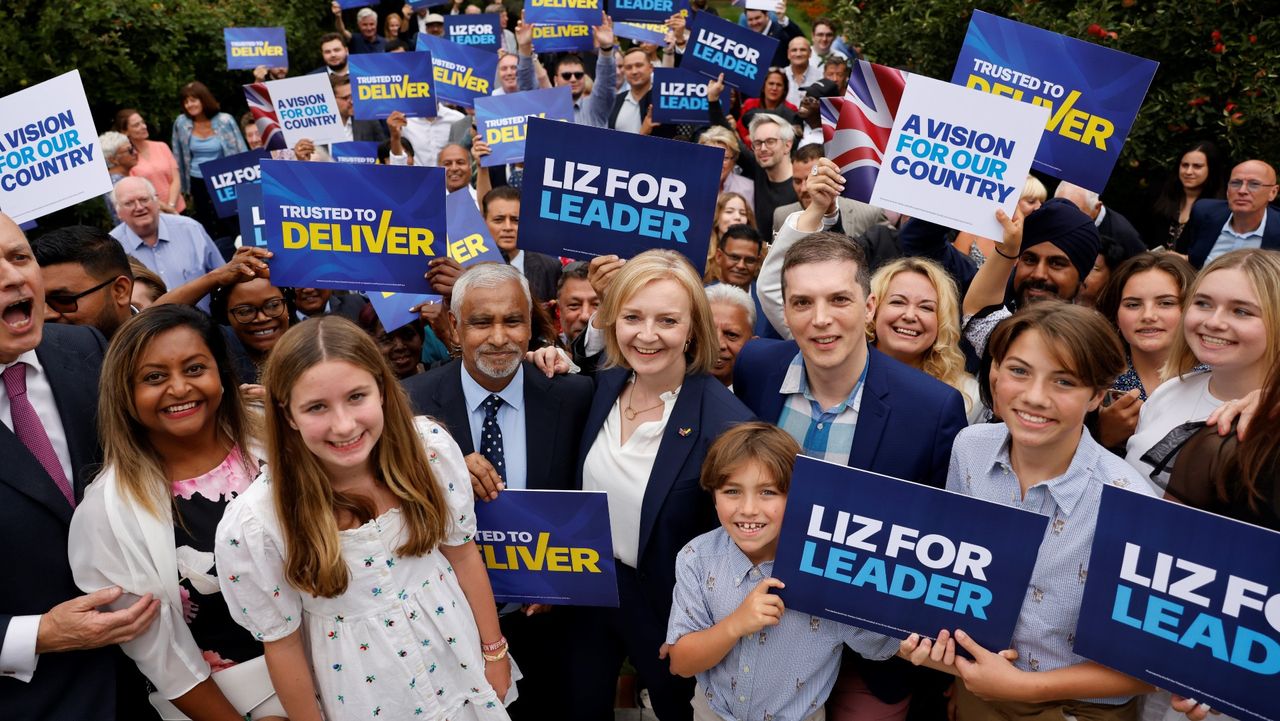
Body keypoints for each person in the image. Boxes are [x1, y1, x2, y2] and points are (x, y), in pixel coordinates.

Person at [740, 159, 966, 721]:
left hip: (867, 654)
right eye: (802, 303)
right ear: (783, 311)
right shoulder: (755, 369)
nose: (821, 320)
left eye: (839, 300)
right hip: (761, 629)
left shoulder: (932, 408)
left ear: (868, 308)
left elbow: (948, 539)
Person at [214, 316, 515, 720]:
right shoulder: (257, 522)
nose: (343, 425)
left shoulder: (428, 452)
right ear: (287, 415)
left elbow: (462, 555)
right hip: (364, 693)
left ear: (383, 391)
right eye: (317, 407)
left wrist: (494, 652)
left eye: (357, 397)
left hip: (458, 663)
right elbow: (282, 644)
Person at [901, 302, 1155, 719]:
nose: (1035, 397)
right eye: (1019, 371)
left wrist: (1025, 686)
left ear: (1096, 394)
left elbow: (1152, 667)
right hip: (978, 688)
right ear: (994, 372)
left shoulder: (1130, 504)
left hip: (1078, 709)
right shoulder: (970, 447)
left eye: (1065, 381)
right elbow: (957, 570)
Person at [67, 305, 284, 721]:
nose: (179, 388)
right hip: (240, 706)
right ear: (125, 394)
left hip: (354, 674)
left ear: (221, 373)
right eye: (154, 377)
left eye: (195, 368)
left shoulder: (281, 441)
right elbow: (162, 659)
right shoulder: (106, 513)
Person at [565, 250, 755, 721]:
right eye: (632, 317)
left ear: (693, 329)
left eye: (667, 320)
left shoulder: (727, 425)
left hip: (673, 613)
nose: (646, 335)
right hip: (589, 592)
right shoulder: (601, 386)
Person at [404, 264, 592, 718]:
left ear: (532, 324)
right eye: (481, 322)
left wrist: (559, 581)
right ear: (453, 324)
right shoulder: (408, 405)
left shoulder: (574, 395)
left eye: (512, 321)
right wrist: (439, 468)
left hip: (549, 618)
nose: (499, 337)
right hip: (450, 624)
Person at [0, 212, 160, 721]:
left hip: (159, 680)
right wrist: (39, 635)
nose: (11, 277)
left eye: (18, 257)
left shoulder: (87, 349)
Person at [667, 422, 900, 721]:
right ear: (713, 494)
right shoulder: (696, 558)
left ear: (797, 494)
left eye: (768, 492)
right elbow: (682, 663)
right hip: (713, 714)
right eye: (732, 491)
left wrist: (862, 597)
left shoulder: (828, 566)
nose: (749, 508)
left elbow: (879, 647)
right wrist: (735, 625)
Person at [1124, 248, 1280, 494]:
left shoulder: (1273, 415)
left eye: (1241, 311)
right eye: (1203, 303)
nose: (1213, 322)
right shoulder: (1169, 391)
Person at [957, 198, 1101, 359]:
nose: (1039, 274)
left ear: (1082, 276)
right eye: (1030, 260)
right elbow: (978, 308)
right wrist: (1007, 251)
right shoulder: (1006, 336)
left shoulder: (1094, 350)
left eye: (1056, 264)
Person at [1093, 252, 1198, 450]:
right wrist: (1100, 437)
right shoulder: (1094, 377)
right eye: (1133, 305)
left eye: (1166, 303)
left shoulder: (1218, 377)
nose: (1148, 315)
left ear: (1192, 309)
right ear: (1116, 315)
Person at [867, 257, 983, 423]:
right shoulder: (840, 376)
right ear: (872, 309)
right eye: (898, 302)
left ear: (942, 322)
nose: (909, 316)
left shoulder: (967, 397)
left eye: (926, 307)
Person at [110, 177, 224, 310]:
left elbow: (222, 275)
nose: (139, 207)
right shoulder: (111, 248)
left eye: (144, 199)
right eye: (129, 203)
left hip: (205, 325)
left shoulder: (191, 229)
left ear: (156, 201)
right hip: (150, 329)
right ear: (118, 211)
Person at [172, 81, 248, 248]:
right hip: (197, 180)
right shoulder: (181, 123)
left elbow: (240, 150)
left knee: (231, 222)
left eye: (193, 100)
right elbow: (178, 156)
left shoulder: (225, 121)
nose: (189, 105)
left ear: (204, 99)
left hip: (223, 180)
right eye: (186, 101)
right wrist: (184, 189)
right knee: (207, 222)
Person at [32, 225, 135, 339]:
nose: (46, 314)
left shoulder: (156, 346)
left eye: (63, 300)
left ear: (120, 290)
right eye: (37, 302)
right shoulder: (39, 353)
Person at [515, 13, 617, 128]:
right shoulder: (544, 107)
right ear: (555, 79)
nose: (573, 79)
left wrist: (606, 49)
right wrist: (524, 48)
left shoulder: (595, 108)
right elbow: (527, 88)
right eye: (566, 75)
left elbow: (606, 84)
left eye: (578, 75)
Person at [772, 144, 884, 241]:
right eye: (797, 181)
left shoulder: (870, 213)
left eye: (812, 179)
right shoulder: (782, 216)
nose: (804, 188)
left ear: (830, 174)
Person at [1181, 159, 1280, 268]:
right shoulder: (1204, 212)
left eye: (1254, 184)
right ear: (1228, 189)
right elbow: (1187, 256)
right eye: (1235, 183)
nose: (1242, 191)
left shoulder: (1276, 229)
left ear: (1273, 192)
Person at [482, 186, 561, 303]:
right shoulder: (471, 268)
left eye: (516, 220)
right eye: (499, 220)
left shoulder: (550, 268)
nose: (508, 227)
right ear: (484, 223)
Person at [950, 175, 1046, 268]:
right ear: (1011, 202)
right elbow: (955, 270)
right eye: (1031, 201)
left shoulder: (1037, 242)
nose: (1038, 207)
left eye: (1041, 202)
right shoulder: (974, 232)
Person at [1145, 141, 1226, 250]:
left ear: (1211, 170)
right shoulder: (1159, 198)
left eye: (1197, 166)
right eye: (1184, 165)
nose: (1188, 171)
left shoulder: (1219, 210)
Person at [116, 108, 184, 215]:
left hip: (178, 209)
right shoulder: (128, 159)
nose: (144, 126)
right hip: (153, 214)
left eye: (143, 122)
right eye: (136, 125)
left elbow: (176, 179)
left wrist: (171, 206)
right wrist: (166, 209)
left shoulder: (161, 146)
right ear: (125, 132)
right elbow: (138, 192)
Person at [1054, 181, 1146, 259]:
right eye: (1061, 211)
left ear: (1097, 208)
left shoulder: (1123, 235)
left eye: (1076, 215)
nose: (1066, 220)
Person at [356, 302, 427, 380]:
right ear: (369, 346)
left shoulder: (440, 372)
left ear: (421, 336)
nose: (400, 346)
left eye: (407, 335)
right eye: (386, 339)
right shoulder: (368, 389)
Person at [704, 283, 755, 389]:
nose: (717, 345)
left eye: (731, 334)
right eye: (708, 332)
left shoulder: (763, 400)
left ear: (753, 343)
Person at [735, 70, 797, 146]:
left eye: (779, 85)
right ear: (763, 86)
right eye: (771, 83)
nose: (774, 88)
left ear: (784, 90)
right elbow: (742, 134)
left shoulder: (791, 109)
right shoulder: (749, 104)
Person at [698, 126, 754, 209]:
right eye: (710, 157)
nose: (717, 163)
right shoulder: (688, 186)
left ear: (734, 160)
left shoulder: (748, 188)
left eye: (724, 158)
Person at [705, 193, 755, 283]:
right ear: (717, 217)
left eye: (743, 213)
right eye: (729, 211)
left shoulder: (760, 251)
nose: (737, 217)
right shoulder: (703, 250)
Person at [330, 74, 389, 143]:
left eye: (353, 96)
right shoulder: (319, 128)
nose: (352, 101)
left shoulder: (368, 120)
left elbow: (383, 149)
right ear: (331, 99)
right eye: (345, 98)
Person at [554, 261, 599, 346]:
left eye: (597, 305)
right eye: (574, 305)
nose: (585, 316)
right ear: (558, 310)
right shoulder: (540, 355)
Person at [743, 4, 803, 68]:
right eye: (750, 19)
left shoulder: (781, 31)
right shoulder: (748, 37)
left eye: (757, 18)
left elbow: (800, 40)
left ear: (766, 15)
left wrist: (783, 19)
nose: (754, 22)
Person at [100, 131, 139, 224]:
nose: (136, 152)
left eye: (133, 148)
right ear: (113, 159)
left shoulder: (113, 180)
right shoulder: (120, 185)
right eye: (129, 150)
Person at [293, 288, 368, 323]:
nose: (309, 289)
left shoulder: (355, 304)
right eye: (298, 281)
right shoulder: (283, 326)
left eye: (316, 278)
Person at [784, 36, 821, 107]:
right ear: (788, 54)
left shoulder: (820, 77)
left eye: (803, 50)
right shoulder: (781, 75)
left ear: (810, 53)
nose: (798, 54)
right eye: (794, 50)